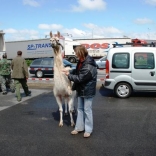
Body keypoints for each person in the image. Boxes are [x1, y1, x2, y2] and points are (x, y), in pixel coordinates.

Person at [63, 45, 97, 138]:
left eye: (77, 53)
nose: (76, 55)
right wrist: (69, 70)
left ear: (81, 53)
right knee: (80, 109)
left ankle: (88, 130)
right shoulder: (82, 61)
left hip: (87, 90)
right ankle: (79, 127)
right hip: (81, 89)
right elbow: (78, 71)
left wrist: (68, 75)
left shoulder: (89, 65)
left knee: (87, 110)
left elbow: (80, 78)